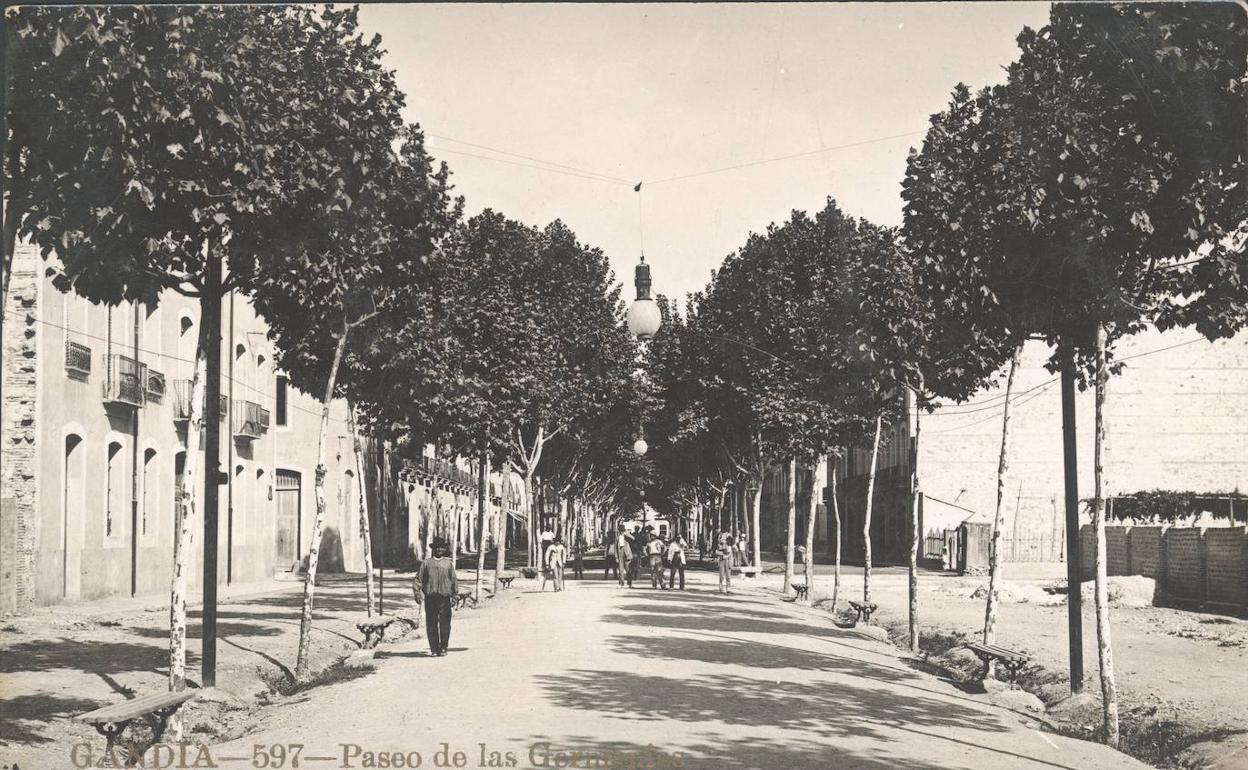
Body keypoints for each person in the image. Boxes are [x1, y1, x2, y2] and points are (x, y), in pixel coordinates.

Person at [417, 537, 457, 656]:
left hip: (445, 598)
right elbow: (418, 579)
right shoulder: (426, 563)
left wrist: (455, 596)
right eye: (437, 547)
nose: (440, 550)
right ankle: (434, 649)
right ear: (433, 549)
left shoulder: (448, 563)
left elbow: (454, 580)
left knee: (445, 624)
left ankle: (444, 647)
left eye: (442, 547)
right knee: (431, 624)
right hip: (431, 598)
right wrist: (417, 594)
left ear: (444, 549)